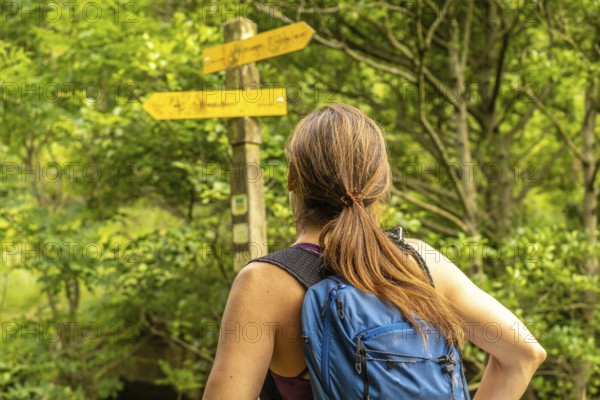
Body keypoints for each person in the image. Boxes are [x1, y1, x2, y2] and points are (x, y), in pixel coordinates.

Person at [202, 104, 547, 400]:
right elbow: (523, 354)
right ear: (379, 186)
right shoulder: (423, 263)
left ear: (293, 178)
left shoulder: (264, 284)